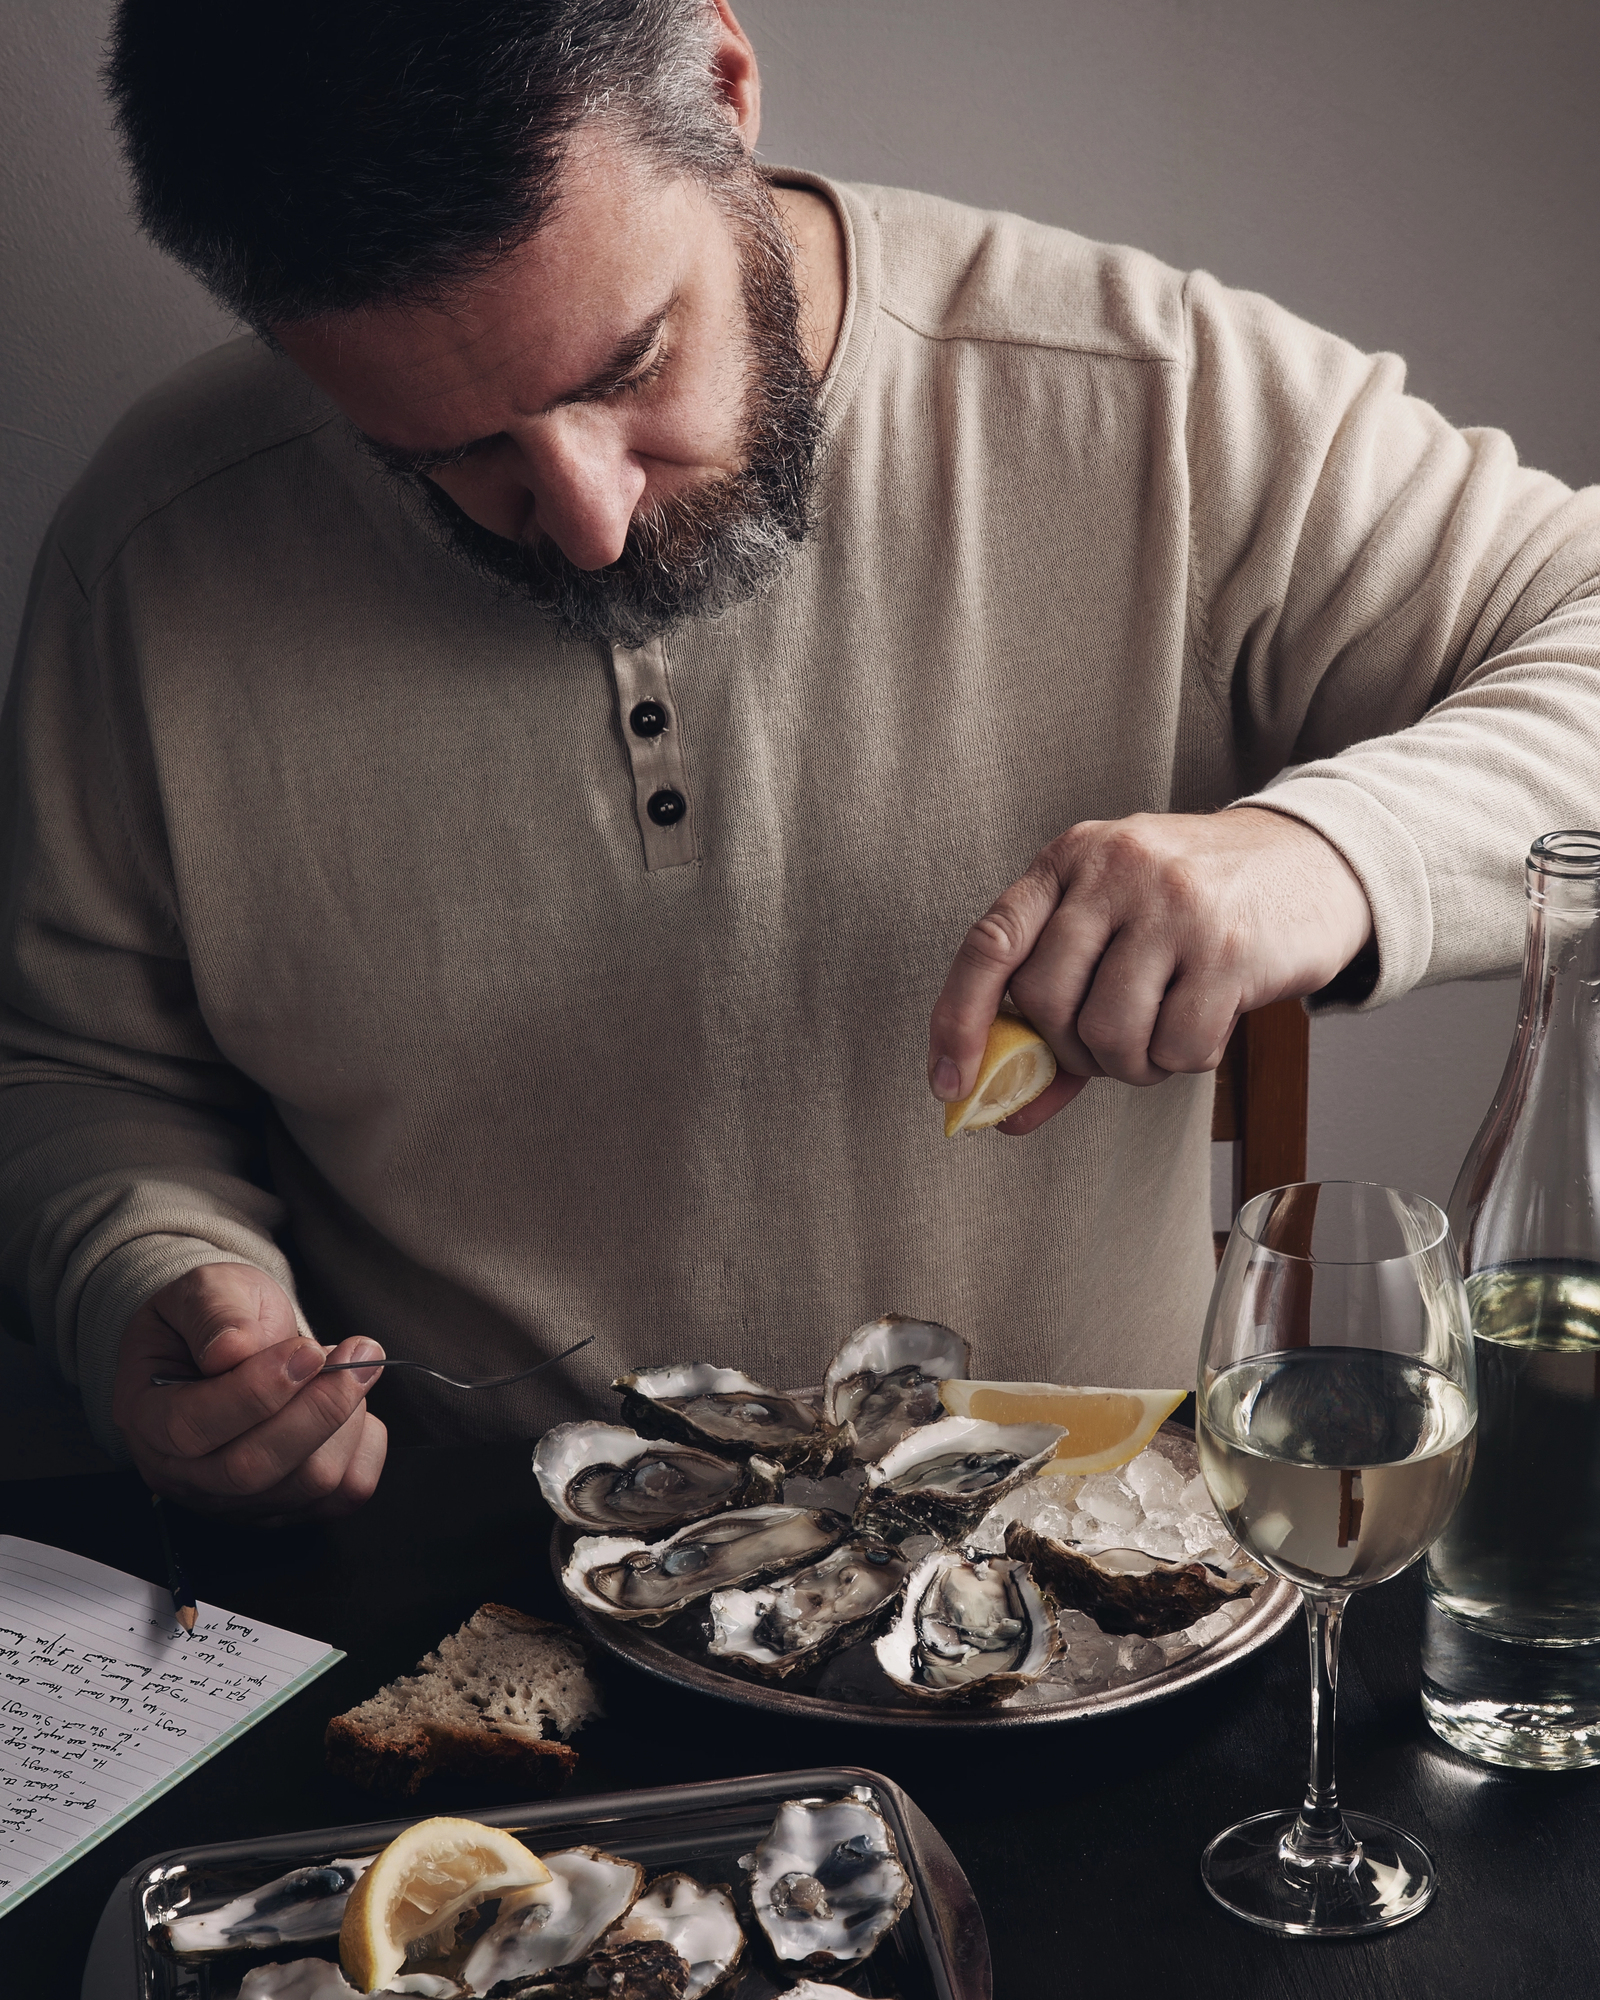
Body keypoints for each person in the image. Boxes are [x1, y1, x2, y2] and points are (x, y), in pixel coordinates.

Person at [2, 0, 1596, 1522]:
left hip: (1087, 1586)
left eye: (627, 368)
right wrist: (150, 1286)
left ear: (723, 82)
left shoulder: (1157, 398)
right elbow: (74, 1072)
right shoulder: (155, 549)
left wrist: (1326, 854)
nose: (586, 518)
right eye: (448, 457)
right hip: (464, 1602)